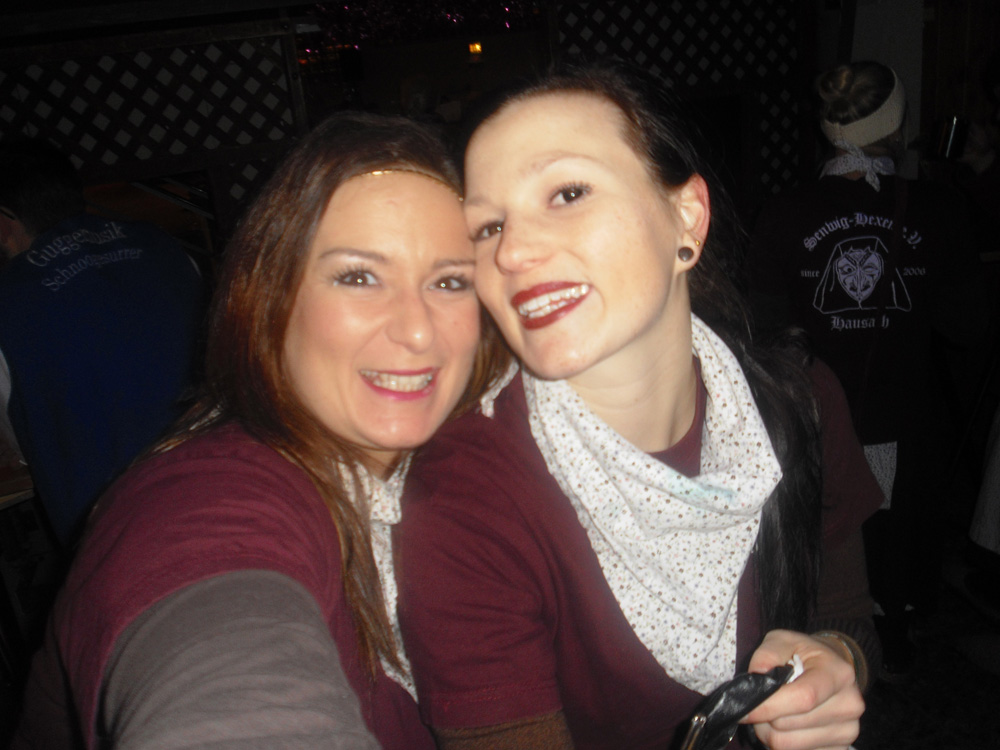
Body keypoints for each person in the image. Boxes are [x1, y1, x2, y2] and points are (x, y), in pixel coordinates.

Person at [394, 61, 871, 750]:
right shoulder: (467, 497)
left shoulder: (800, 399)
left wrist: (836, 664)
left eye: (567, 193)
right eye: (488, 227)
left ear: (686, 216)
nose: (514, 252)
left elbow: (849, 620)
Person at [12, 111, 509, 749]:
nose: (417, 329)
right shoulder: (203, 501)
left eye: (449, 281)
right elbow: (227, 670)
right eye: (359, 277)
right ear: (273, 299)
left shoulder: (469, 466)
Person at [746, 60, 988, 675]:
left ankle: (819, 625)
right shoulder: (939, 209)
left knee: (828, 530)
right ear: (897, 125)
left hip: (814, 419)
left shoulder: (783, 212)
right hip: (900, 414)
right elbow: (969, 325)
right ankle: (891, 625)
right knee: (892, 526)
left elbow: (765, 333)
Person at [0, 139, 205, 547]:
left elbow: (16, 444)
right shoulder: (166, 247)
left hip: (118, 532)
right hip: (223, 485)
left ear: (5, 221)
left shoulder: (9, 299)